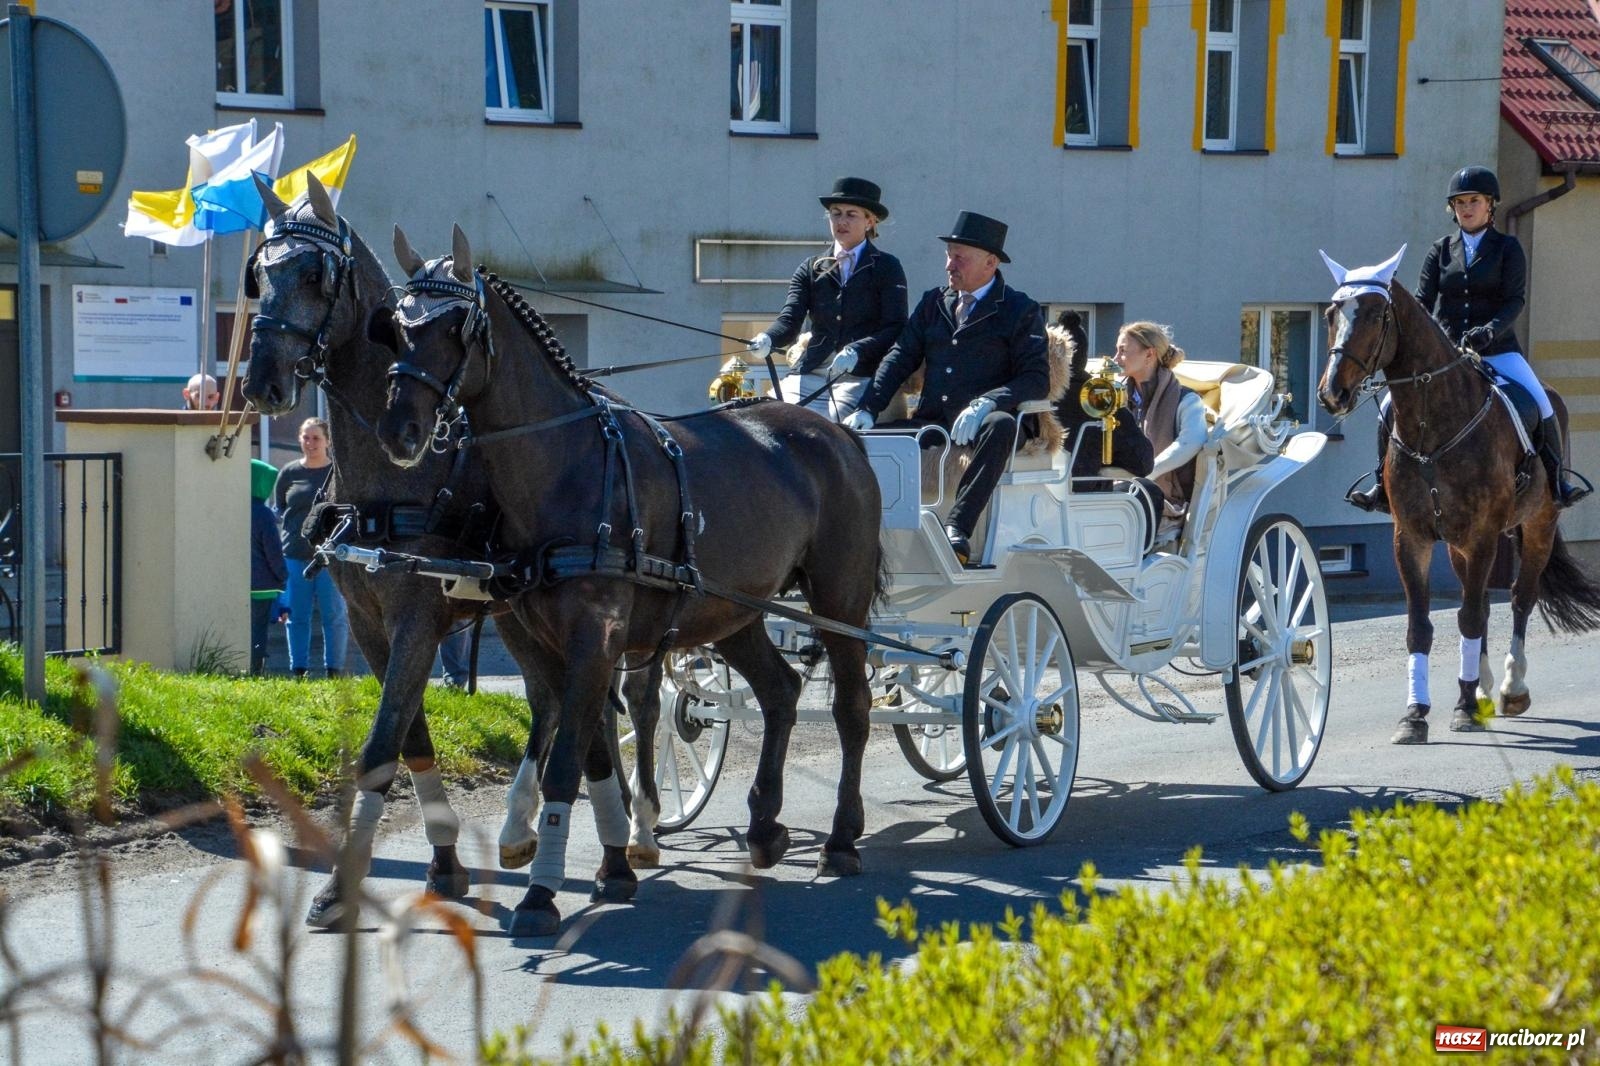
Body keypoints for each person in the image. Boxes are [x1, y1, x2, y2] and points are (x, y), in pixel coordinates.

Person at [1349, 165, 1590, 512]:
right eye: (1459, 202)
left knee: (1540, 401)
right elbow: (1421, 304)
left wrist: (1490, 330)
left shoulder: (1507, 248)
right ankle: (1380, 485)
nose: (1466, 208)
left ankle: (1557, 483)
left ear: (1490, 204)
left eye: (1473, 201)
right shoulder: (1440, 251)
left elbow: (1515, 301)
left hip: (1497, 350)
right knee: (1387, 407)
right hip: (1447, 355)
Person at [843, 211, 1050, 564]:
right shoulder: (933, 303)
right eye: (949, 255)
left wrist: (987, 403)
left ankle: (958, 528)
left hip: (989, 424)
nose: (949, 265)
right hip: (934, 421)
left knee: (1001, 425)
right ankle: (856, 533)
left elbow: (1036, 379)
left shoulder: (1020, 309)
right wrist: (868, 408)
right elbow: (900, 357)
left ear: (990, 262)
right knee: (859, 440)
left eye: (959, 257)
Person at [747, 177, 909, 420]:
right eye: (836, 213)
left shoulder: (887, 267)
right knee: (769, 418)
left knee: (829, 427)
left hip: (858, 376)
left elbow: (895, 327)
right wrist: (768, 338)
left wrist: (857, 350)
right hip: (810, 372)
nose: (841, 221)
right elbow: (790, 319)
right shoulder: (811, 268)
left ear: (870, 221)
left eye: (851, 214)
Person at [273, 417, 349, 678]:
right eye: (306, 437)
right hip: (295, 556)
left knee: (334, 616)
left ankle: (334, 671)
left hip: (330, 558)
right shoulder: (289, 472)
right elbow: (281, 507)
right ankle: (299, 671)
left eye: (316, 438)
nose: (310, 443)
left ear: (327, 441)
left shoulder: (337, 473)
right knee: (296, 616)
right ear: (299, 439)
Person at [1115, 322, 1208, 530]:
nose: (1116, 358)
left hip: (1163, 498)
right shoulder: (1116, 396)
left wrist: (1145, 474)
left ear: (1149, 354)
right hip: (1122, 490)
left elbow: (1191, 441)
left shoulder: (1186, 400)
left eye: (1123, 351)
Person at [249, 458, 289, 675]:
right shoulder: (264, 514)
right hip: (263, 586)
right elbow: (273, 551)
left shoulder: (232, 508)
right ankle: (255, 669)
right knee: (259, 628)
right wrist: (283, 576)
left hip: (239, 582)